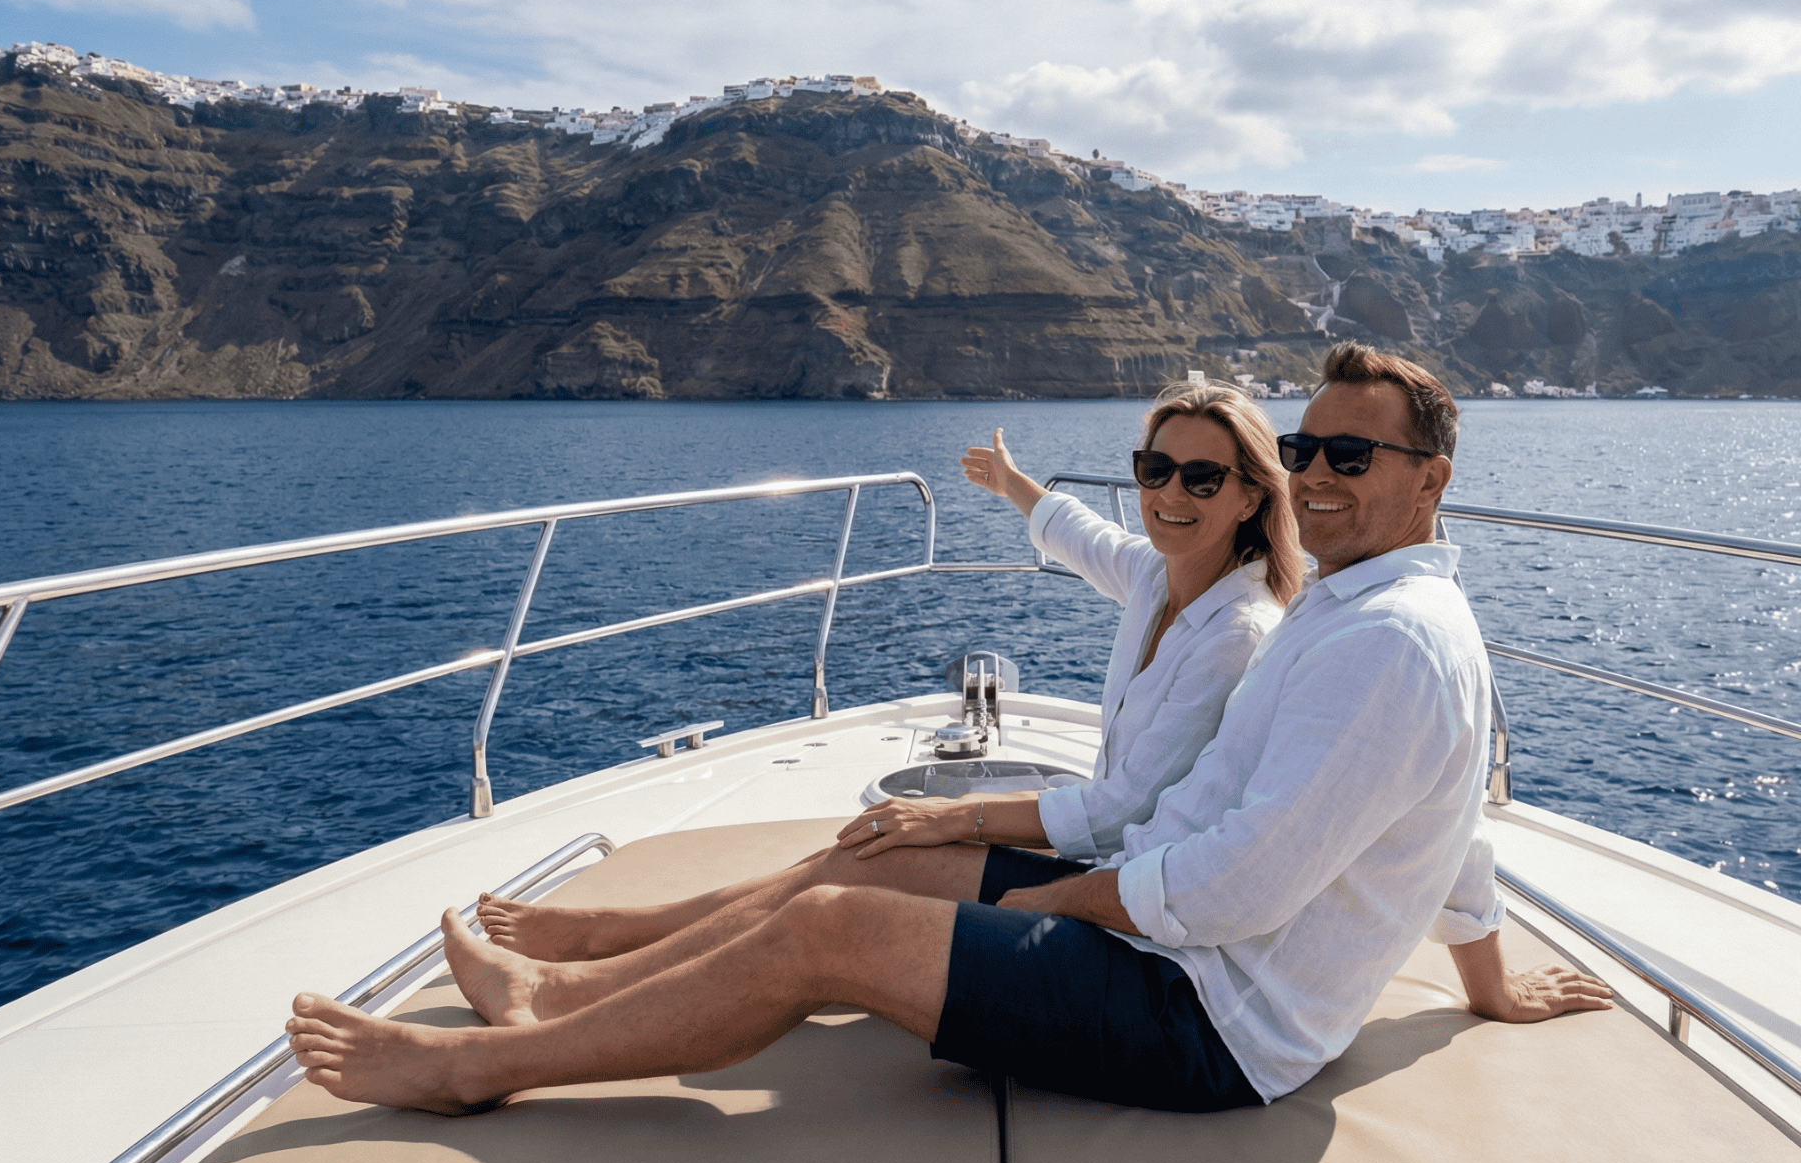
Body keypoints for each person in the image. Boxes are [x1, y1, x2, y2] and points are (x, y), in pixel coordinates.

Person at [287, 343, 1612, 1117]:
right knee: (884, 865)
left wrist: (1056, 900)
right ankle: (561, 988)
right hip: (1195, 955)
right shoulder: (1360, 613)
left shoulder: (1375, 641)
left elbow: (1234, 882)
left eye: (1351, 457)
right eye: (1312, 449)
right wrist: (1486, 982)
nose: (1321, 472)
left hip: (1213, 1020)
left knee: (830, 925)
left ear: (1429, 479)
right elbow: (1451, 831)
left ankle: (491, 1067)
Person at [460, 381, 1301, 966]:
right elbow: (1085, 537)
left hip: (1119, 890)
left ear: (1252, 497)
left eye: (1202, 477)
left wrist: (954, 820)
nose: (1169, 495)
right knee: (846, 855)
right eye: (1155, 471)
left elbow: (1122, 811)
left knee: (859, 865)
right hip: (1094, 857)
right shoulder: (1162, 574)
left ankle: (607, 946)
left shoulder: (1236, 630)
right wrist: (1015, 485)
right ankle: (621, 935)